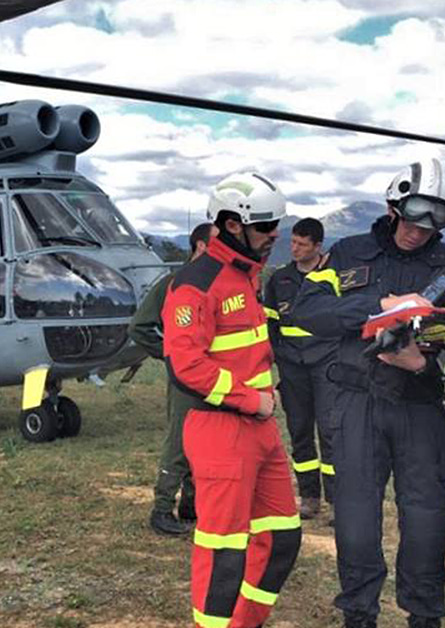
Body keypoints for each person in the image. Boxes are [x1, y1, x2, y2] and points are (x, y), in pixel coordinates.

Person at [291, 158, 445, 628]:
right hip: (358, 404)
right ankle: (358, 613)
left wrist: (426, 362)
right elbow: (306, 311)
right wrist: (376, 305)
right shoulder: (348, 253)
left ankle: (424, 614)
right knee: (354, 519)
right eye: (416, 214)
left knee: (427, 519)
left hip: (422, 407)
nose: (422, 229)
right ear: (394, 205)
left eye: (437, 218)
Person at [163, 172, 300, 628]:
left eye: (276, 224)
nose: (276, 234)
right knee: (224, 552)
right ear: (232, 224)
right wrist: (248, 399)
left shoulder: (246, 277)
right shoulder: (195, 283)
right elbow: (187, 364)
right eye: (266, 226)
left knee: (281, 539)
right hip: (221, 428)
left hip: (260, 429)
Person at [129, 222, 213, 536]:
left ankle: (191, 505)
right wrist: (170, 355)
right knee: (180, 442)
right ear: (201, 247)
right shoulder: (173, 284)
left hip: (212, 377)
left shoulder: (215, 283)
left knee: (205, 442)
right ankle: (162, 509)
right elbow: (139, 327)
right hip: (185, 379)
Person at [262, 217, 339, 522]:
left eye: (301, 244)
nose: (294, 248)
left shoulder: (334, 278)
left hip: (327, 365)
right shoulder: (279, 279)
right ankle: (309, 497)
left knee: (331, 433)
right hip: (293, 368)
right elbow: (270, 323)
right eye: (292, 242)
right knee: (300, 431)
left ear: (318, 246)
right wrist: (280, 356)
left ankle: (336, 500)